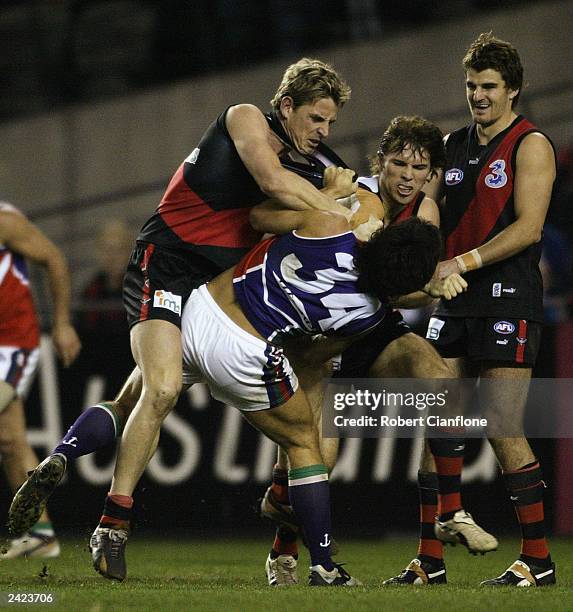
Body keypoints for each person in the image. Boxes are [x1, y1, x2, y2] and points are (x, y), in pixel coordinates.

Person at [8, 59, 356, 539]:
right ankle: (113, 524)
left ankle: (61, 457)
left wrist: (340, 197)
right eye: (316, 118)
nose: (323, 130)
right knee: (164, 389)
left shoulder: (309, 164)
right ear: (287, 105)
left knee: (135, 401)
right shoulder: (245, 117)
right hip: (164, 263)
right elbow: (273, 181)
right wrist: (336, 203)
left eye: (331, 122)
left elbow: (271, 212)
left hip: (208, 291)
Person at [90, 207, 442, 583]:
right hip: (244, 348)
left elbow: (258, 217)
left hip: (201, 308)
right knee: (305, 443)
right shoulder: (367, 316)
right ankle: (322, 565)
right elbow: (310, 356)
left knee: (140, 400)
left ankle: (102, 508)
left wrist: (331, 200)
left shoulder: (330, 223)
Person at [257, 115, 486, 586]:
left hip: (375, 327)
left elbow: (411, 294)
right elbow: (272, 225)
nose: (407, 175)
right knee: (319, 457)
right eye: (398, 162)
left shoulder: (425, 214)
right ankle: (283, 547)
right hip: (321, 334)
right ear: (379, 161)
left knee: (440, 380)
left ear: (431, 175)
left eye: (419, 167)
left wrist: (432, 284)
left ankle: (452, 511)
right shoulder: (348, 195)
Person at [384, 33, 557, 587]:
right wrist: (426, 257)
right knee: (439, 418)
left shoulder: (531, 145)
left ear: (513, 90)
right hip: (453, 299)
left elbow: (529, 228)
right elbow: (425, 204)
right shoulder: (452, 145)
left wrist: (464, 262)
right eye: (471, 86)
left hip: (509, 297)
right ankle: (429, 561)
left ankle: (538, 559)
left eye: (488, 87)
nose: (478, 96)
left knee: (502, 423)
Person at [0, 202, 81, 559]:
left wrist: (61, 323)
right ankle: (41, 533)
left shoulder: (5, 222)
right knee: (10, 440)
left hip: (11, 344)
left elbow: (53, 259)